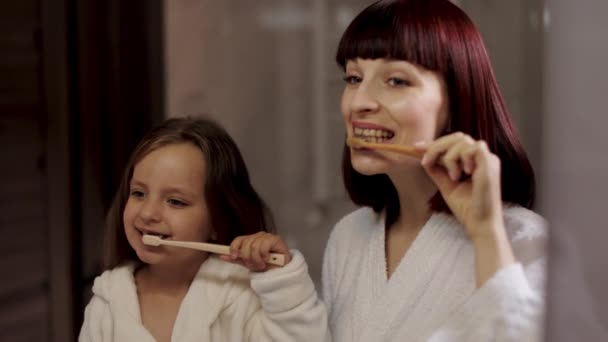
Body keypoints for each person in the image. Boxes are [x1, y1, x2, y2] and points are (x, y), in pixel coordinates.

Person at [322, 0, 547, 341]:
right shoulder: (348, 237)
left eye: (396, 81)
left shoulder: (523, 239)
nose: (358, 102)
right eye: (353, 78)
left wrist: (487, 235)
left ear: (458, 99)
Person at [79, 117, 328, 342]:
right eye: (139, 193)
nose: (147, 213)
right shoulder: (107, 304)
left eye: (175, 201)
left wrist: (282, 283)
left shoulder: (242, 298)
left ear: (218, 222)